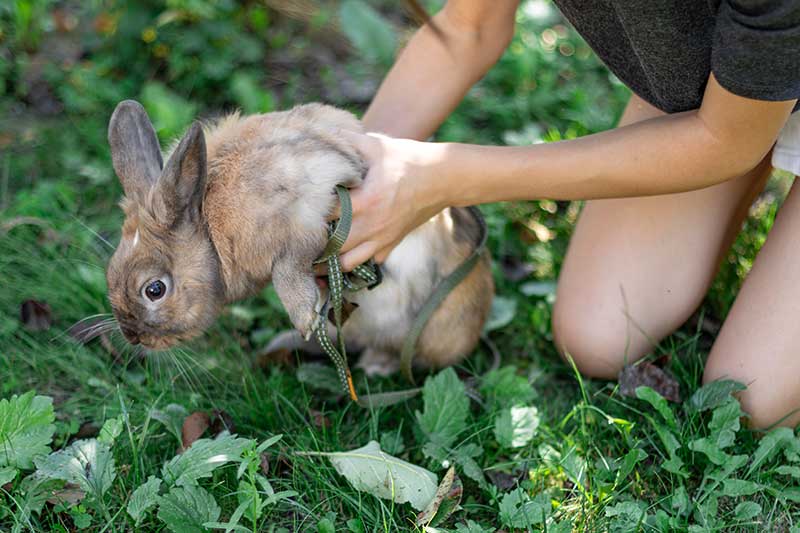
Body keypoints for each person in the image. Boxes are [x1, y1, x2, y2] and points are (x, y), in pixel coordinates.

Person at [335, 1, 800, 428]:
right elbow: (468, 28)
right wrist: (354, 183)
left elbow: (722, 143)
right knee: (596, 339)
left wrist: (443, 177)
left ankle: (752, 108)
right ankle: (752, 101)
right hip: (713, 96)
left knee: (754, 400)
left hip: (726, 121)